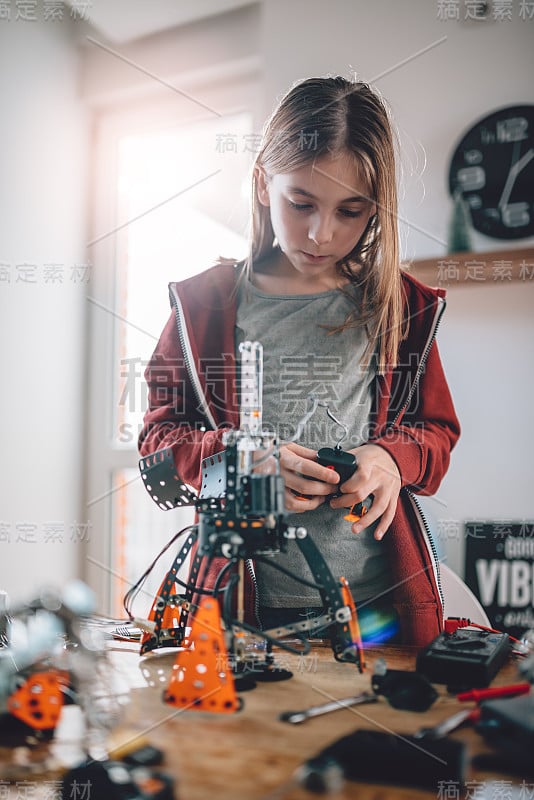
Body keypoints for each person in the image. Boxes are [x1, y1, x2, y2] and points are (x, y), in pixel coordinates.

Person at [139, 76, 460, 647]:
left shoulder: (402, 307)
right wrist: (239, 464)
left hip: (379, 610)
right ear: (263, 183)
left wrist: (390, 458)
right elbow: (158, 456)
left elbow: (436, 435)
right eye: (301, 203)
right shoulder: (202, 307)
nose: (321, 233)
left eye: (351, 211)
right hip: (242, 611)